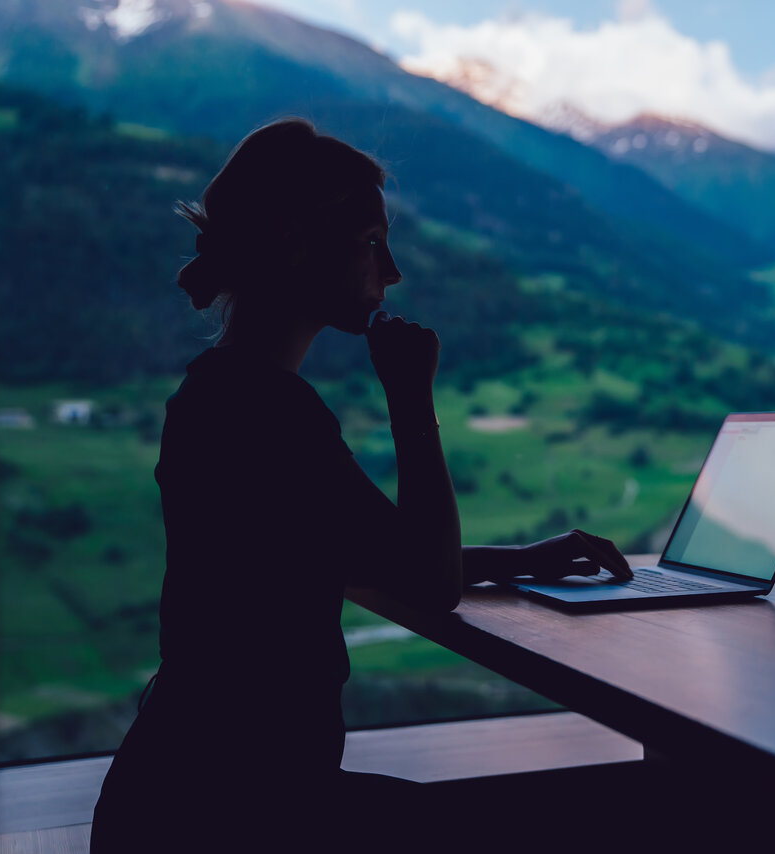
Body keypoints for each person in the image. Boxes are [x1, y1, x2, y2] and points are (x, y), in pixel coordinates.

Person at [89, 118, 632, 852]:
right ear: (295, 243)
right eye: (372, 242)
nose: (394, 269)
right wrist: (412, 402)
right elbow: (428, 582)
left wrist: (519, 559)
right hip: (242, 813)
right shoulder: (269, 412)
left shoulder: (218, 393)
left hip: (183, 797)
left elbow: (355, 552)